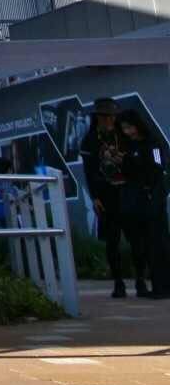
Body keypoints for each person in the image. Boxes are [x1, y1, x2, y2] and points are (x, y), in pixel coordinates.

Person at [80, 95, 143, 298]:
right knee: (112, 241)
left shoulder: (123, 135)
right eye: (105, 116)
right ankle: (118, 282)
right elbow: (89, 171)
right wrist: (95, 197)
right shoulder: (90, 140)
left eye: (111, 116)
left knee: (136, 239)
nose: (109, 120)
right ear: (98, 117)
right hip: (107, 196)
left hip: (127, 192)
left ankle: (141, 280)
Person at [118, 112, 168, 299]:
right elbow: (128, 172)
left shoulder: (152, 143)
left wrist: (151, 190)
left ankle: (163, 287)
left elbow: (158, 167)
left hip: (153, 199)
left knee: (158, 243)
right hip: (139, 203)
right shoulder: (131, 147)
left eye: (129, 127)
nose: (128, 132)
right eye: (124, 128)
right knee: (147, 245)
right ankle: (157, 285)